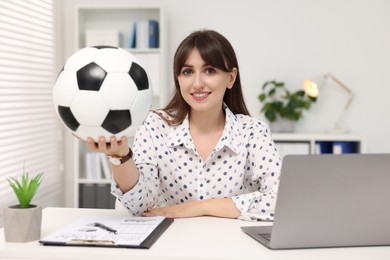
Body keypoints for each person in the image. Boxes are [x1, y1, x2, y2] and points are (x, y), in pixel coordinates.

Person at [87, 29, 281, 221]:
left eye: (209, 70)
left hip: (231, 247)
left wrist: (199, 207)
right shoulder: (154, 125)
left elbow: (280, 200)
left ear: (230, 78)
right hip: (169, 244)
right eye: (187, 72)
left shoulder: (253, 132)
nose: (197, 83)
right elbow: (139, 206)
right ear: (178, 79)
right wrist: (121, 157)